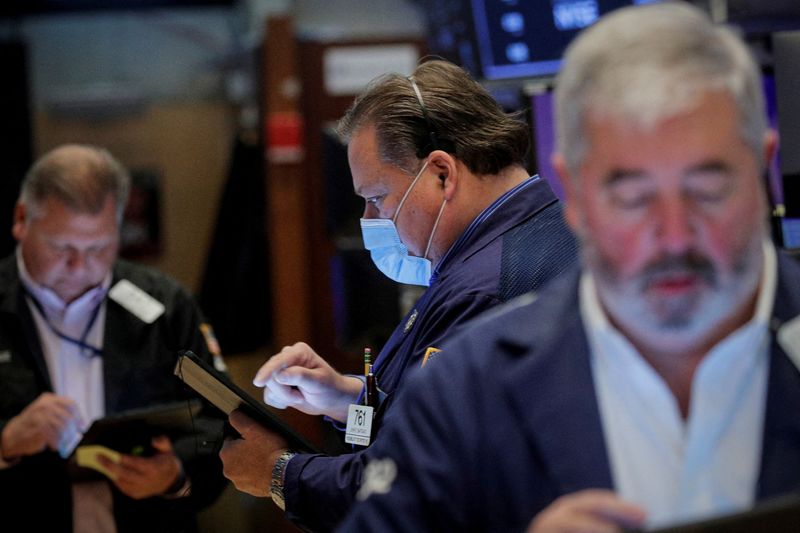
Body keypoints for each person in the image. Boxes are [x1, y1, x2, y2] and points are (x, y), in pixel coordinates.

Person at [337, 3, 800, 532]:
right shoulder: (465, 392)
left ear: (764, 169)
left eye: (708, 187)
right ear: (574, 193)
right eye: (630, 194)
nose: (674, 236)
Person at [219, 59, 578, 531]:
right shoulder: (533, 235)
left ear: (442, 175)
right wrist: (344, 398)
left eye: (378, 196)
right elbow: (438, 420)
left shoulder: (486, 290)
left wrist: (279, 474)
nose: (370, 219)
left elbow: (415, 485)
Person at [0, 144, 227, 532]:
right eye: (61, 246)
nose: (79, 266)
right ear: (22, 219)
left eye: (98, 247)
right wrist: (5, 444)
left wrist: (175, 474)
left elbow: (220, 423)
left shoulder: (165, 306)